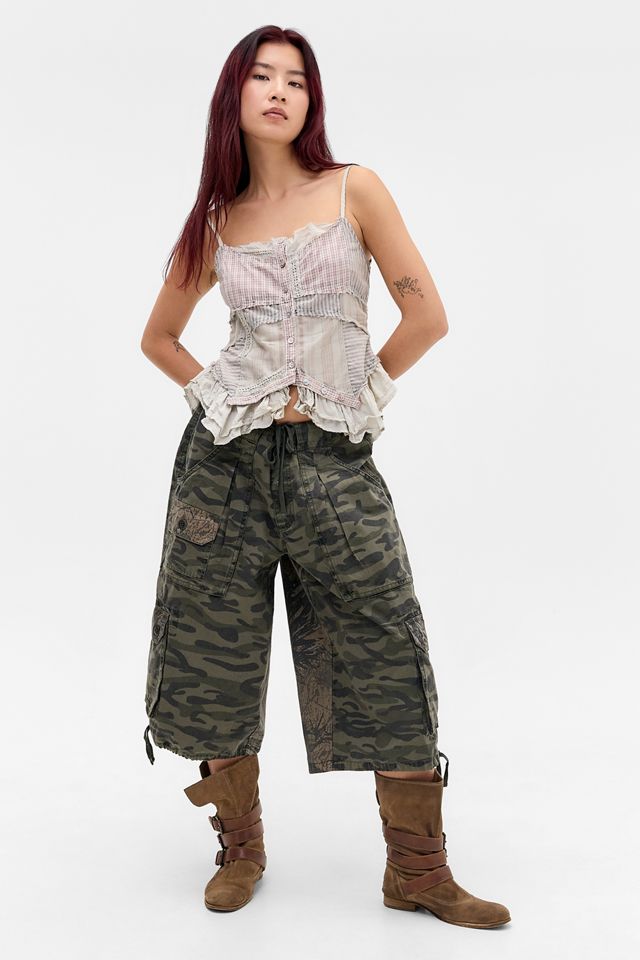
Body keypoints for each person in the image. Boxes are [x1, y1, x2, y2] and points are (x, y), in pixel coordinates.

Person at [139, 24, 511, 928]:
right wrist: (221, 395)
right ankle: (241, 847)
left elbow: (428, 318)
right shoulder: (214, 222)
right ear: (234, 95)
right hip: (224, 471)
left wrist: (356, 392)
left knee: (386, 642)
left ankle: (418, 872)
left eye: (297, 80)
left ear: (312, 100)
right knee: (215, 654)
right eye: (262, 76)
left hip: (332, 465)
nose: (280, 91)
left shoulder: (355, 190)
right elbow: (160, 338)